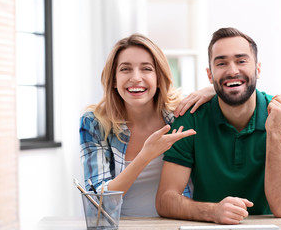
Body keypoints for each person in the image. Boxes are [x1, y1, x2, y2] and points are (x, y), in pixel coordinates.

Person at [156, 27, 281, 224]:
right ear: (210, 75)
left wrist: (275, 129)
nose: (233, 70)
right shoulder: (190, 118)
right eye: (222, 63)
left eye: (241, 61)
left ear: (257, 69)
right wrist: (213, 212)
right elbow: (165, 200)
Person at [79, 33, 215, 217]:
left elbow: (236, 93)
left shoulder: (181, 115)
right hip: (120, 226)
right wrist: (145, 155)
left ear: (159, 77)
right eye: (125, 69)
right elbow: (97, 202)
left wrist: (213, 89)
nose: (136, 78)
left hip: (175, 223)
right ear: (113, 80)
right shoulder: (94, 123)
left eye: (146, 69)